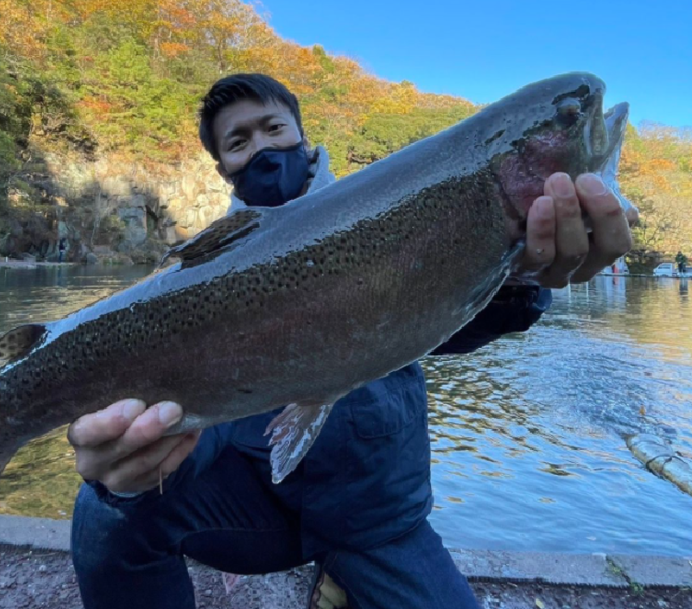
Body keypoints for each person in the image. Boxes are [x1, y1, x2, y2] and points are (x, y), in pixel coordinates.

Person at [69, 74, 636, 609]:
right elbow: (199, 430)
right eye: (238, 141)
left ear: (302, 136)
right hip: (252, 506)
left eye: (273, 128)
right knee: (105, 509)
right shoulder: (196, 274)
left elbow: (459, 320)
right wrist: (139, 467)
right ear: (223, 169)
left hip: (378, 516)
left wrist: (522, 278)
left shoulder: (404, 210)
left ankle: (343, 577)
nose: (262, 148)